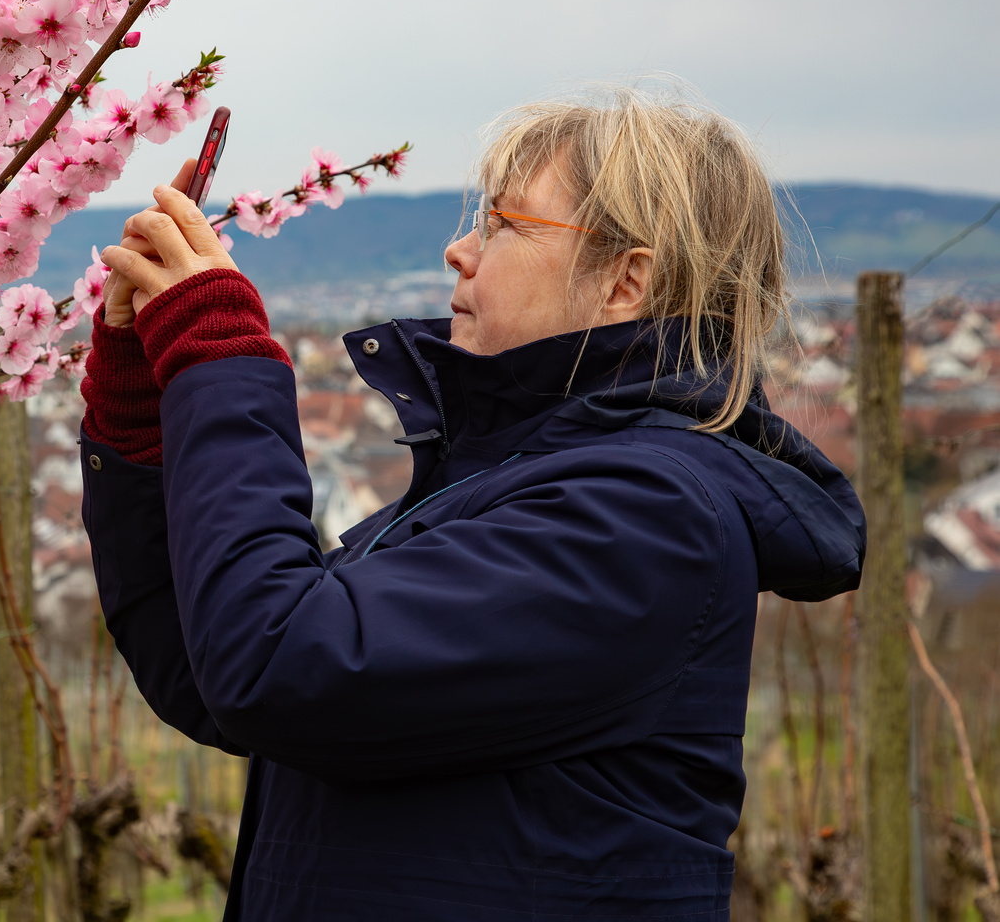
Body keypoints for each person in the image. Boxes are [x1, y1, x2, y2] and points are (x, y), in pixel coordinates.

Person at [78, 90, 865, 921]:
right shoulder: (498, 483)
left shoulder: (646, 515)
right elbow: (213, 676)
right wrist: (141, 421)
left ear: (625, 281)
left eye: (503, 224)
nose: (459, 251)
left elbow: (277, 666)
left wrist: (218, 354)